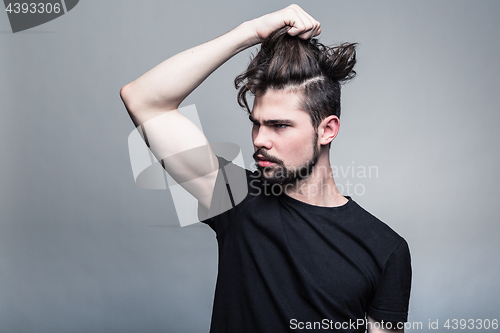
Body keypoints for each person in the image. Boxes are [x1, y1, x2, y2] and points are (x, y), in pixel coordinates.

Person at [120, 5, 411, 332]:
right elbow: (143, 99)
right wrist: (251, 31)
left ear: (327, 129)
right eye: (256, 124)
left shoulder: (386, 248)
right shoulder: (235, 198)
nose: (259, 139)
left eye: (279, 125)